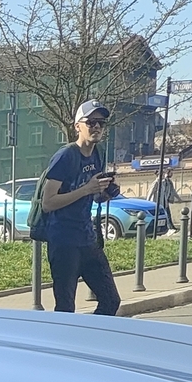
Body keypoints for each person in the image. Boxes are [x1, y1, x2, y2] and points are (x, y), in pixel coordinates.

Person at [38, 101, 123, 317]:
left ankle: (88, 342)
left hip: (87, 239)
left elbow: (94, 196)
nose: (96, 127)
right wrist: (87, 189)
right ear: (78, 126)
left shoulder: (98, 154)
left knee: (111, 300)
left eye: (101, 123)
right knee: (66, 309)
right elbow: (48, 203)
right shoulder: (65, 156)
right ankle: (64, 348)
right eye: (91, 122)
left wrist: (105, 193)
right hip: (64, 242)